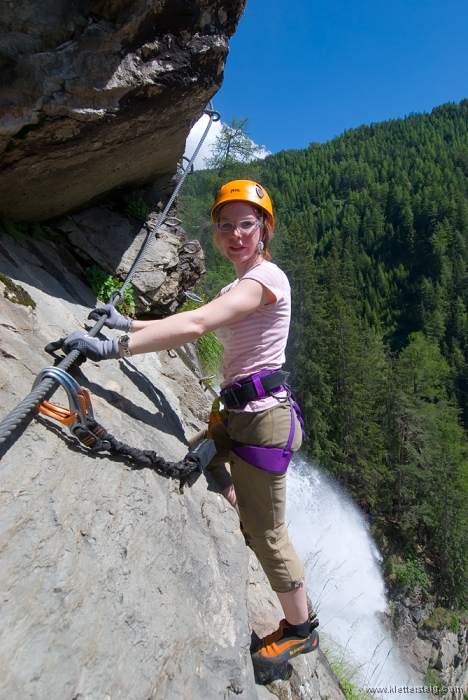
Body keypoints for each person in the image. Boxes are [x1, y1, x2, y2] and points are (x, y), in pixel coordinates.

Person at [63, 180, 318, 668]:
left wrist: (113, 348)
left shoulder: (269, 279)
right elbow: (196, 316)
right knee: (201, 455)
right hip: (241, 418)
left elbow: (198, 325)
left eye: (246, 223)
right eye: (225, 226)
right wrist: (127, 325)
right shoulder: (236, 287)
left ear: (264, 228)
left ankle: (300, 629)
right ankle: (243, 504)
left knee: (268, 535)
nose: (235, 234)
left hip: (264, 422)